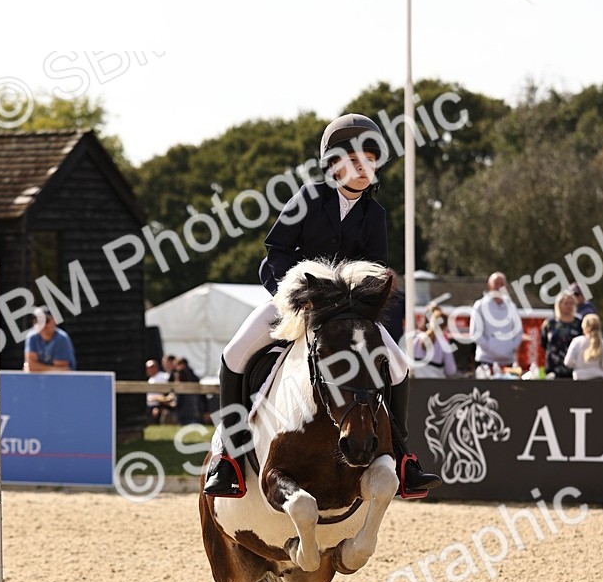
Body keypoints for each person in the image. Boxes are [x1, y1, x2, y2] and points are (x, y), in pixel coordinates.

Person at [202, 113, 442, 498]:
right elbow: (275, 251)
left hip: (347, 315)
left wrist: (358, 302)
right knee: (233, 354)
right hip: (296, 302)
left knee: (398, 365)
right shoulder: (310, 197)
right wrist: (293, 296)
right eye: (355, 159)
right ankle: (228, 459)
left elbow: (376, 271)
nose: (365, 168)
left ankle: (403, 457)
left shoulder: (375, 214)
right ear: (333, 164)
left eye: (371, 159)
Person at [472, 273, 523, 375]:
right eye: (496, 283)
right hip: (486, 361)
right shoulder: (479, 305)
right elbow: (475, 332)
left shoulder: (512, 306)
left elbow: (518, 331)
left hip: (508, 362)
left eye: (502, 284)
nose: (499, 287)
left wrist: (510, 347)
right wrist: (490, 347)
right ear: (489, 285)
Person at [540, 292, 582, 379]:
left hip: (574, 370)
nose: (569, 306)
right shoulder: (550, 323)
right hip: (553, 369)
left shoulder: (579, 323)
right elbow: (543, 343)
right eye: (566, 303)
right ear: (559, 305)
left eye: (571, 303)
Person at [563, 313, 603, 379]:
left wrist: (578, 365)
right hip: (598, 380)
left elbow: (568, 362)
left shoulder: (577, 341)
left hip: (580, 379)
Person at [24, 307, 76, 372]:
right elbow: (31, 366)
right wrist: (54, 369)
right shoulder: (32, 336)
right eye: (38, 321)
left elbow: (62, 369)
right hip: (37, 380)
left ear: (54, 321)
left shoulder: (62, 338)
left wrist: (36, 367)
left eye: (46, 320)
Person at [411, 307, 457, 379]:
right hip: (436, 385)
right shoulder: (444, 344)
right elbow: (451, 370)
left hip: (416, 383)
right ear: (445, 326)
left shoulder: (417, 339)